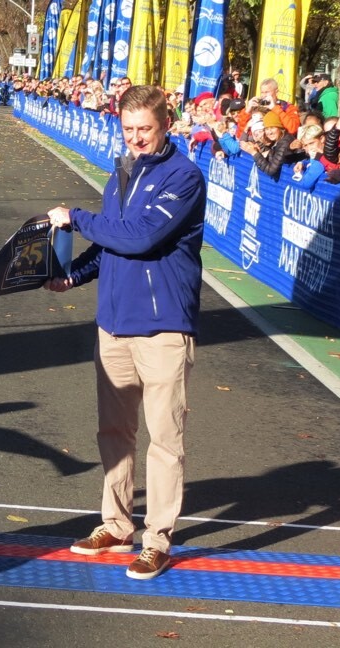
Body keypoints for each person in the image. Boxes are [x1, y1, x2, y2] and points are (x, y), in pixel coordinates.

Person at [44, 84, 206, 581]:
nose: (136, 138)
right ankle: (116, 525)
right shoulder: (121, 173)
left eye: (145, 129)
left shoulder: (184, 176)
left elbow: (141, 237)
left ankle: (158, 540)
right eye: (128, 129)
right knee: (113, 432)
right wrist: (72, 276)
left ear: (166, 125)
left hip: (162, 328)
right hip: (112, 326)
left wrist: (76, 218)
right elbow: (111, 244)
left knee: (164, 440)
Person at [239, 110, 300, 179]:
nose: (269, 132)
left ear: (280, 128)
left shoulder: (285, 142)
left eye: (272, 128)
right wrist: (265, 153)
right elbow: (276, 154)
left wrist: (254, 153)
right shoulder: (278, 140)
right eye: (267, 129)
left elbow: (271, 170)